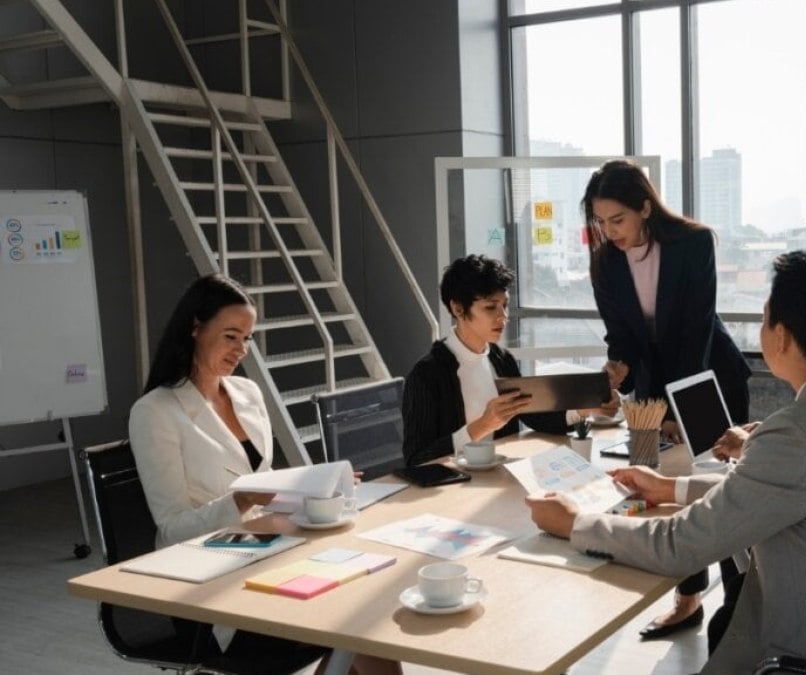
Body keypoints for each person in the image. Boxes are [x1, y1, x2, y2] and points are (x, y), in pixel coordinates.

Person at [527, 250, 806, 674]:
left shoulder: (799, 434)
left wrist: (573, 522)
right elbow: (781, 494)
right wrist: (669, 487)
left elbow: (680, 545)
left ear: (782, 336)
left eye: (765, 316)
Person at [129, 273, 400, 675]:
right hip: (212, 581)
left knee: (366, 606)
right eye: (231, 336)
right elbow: (170, 530)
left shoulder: (247, 393)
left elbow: (266, 481)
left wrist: (315, 487)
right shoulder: (155, 412)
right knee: (356, 624)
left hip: (271, 552)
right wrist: (241, 501)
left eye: (248, 339)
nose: (241, 349)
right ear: (195, 328)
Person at [583, 158, 751, 639]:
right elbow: (623, 338)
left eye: (618, 220)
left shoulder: (693, 242)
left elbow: (697, 331)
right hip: (656, 387)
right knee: (667, 489)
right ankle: (689, 598)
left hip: (708, 379)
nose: (609, 231)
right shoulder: (607, 263)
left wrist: (681, 411)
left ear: (644, 207)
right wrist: (619, 368)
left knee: (724, 487)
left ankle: (744, 599)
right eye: (601, 221)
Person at [403, 255, 616, 467]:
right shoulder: (427, 374)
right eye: (490, 307)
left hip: (500, 475)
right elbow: (416, 458)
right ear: (458, 309)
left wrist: (587, 407)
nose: (503, 316)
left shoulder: (501, 359)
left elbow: (534, 417)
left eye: (505, 305)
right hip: (453, 487)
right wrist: (481, 426)